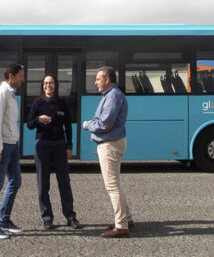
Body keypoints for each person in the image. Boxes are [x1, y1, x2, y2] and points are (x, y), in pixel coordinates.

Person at [82, 66, 134, 238]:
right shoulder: (111, 95)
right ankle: (127, 218)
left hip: (110, 144)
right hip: (112, 142)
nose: (95, 82)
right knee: (116, 184)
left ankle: (121, 226)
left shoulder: (113, 96)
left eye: (98, 79)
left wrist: (87, 125)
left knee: (112, 185)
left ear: (107, 79)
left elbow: (105, 124)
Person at [26, 75, 81, 230]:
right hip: (42, 145)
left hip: (59, 145)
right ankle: (47, 218)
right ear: (42, 86)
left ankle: (70, 216)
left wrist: (69, 146)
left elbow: (68, 126)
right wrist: (38, 119)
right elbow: (29, 124)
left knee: (64, 182)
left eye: (50, 83)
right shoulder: (37, 103)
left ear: (55, 85)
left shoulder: (62, 103)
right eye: (45, 83)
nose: (48, 85)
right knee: (43, 183)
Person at [0, 63, 25, 240]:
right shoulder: (1, 94)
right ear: (11, 76)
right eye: (20, 76)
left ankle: (4, 220)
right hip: (4, 147)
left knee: (15, 181)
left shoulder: (11, 94)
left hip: (12, 144)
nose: (23, 79)